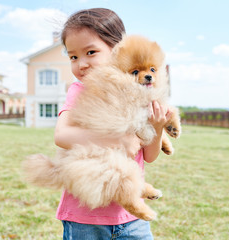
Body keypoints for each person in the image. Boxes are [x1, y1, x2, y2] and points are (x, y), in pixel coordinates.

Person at [54, 8, 171, 240]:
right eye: (73, 57)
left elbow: (149, 156)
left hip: (131, 218)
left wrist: (157, 130)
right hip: (84, 216)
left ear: (117, 51)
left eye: (90, 52)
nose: (82, 64)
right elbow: (62, 135)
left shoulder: (140, 90)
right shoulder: (80, 90)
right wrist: (117, 140)